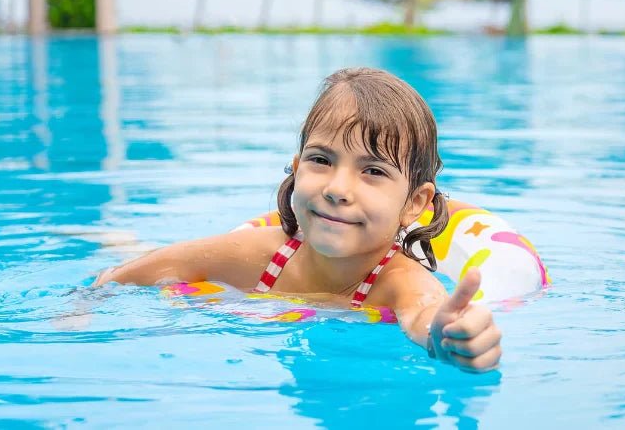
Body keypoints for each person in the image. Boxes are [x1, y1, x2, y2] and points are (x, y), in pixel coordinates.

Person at [93, 67, 502, 373]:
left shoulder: (398, 281)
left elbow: (424, 311)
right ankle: (114, 234)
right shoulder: (259, 252)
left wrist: (448, 333)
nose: (338, 188)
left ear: (415, 203)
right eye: (321, 161)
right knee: (131, 248)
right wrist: (82, 308)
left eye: (373, 171)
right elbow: (125, 277)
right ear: (296, 169)